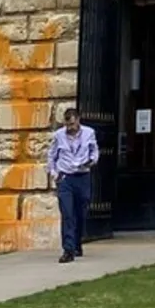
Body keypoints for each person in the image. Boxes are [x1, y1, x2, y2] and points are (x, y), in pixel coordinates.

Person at [47, 106, 99, 262]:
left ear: (78, 120)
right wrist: (54, 174)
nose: (70, 128)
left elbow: (94, 151)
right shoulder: (59, 136)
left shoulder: (89, 133)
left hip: (82, 176)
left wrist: (91, 161)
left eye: (72, 125)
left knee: (81, 212)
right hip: (65, 178)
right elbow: (51, 156)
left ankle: (77, 243)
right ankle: (68, 250)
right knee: (67, 213)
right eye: (67, 125)